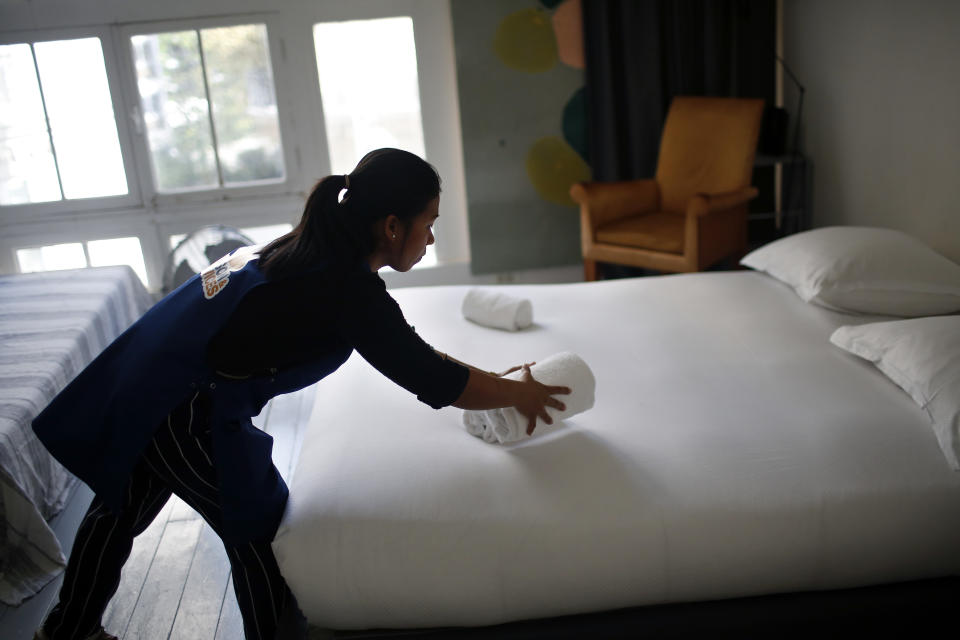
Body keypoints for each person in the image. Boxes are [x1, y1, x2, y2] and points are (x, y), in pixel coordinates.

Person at [31, 148, 570, 640]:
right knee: (258, 527)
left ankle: (64, 632)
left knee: (118, 510)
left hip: (159, 374)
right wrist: (516, 395)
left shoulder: (318, 250)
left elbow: (416, 354)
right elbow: (430, 377)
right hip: (182, 402)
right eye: (428, 224)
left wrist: (502, 384)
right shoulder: (346, 289)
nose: (430, 238)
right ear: (390, 226)